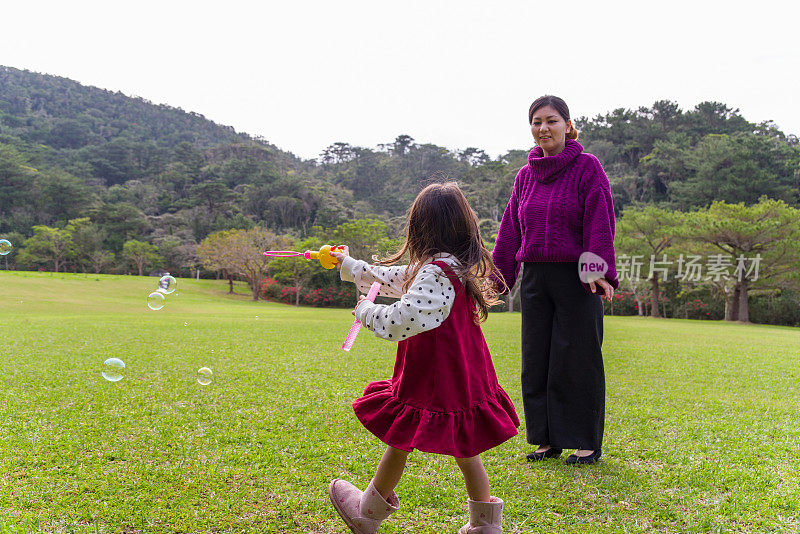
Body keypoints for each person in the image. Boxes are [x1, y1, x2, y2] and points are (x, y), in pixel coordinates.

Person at [327, 182, 519, 534]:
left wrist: (365, 311)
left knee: (400, 439)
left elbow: (402, 320)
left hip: (433, 373)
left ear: (421, 228)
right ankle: (485, 527)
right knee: (466, 445)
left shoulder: (434, 272)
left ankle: (366, 514)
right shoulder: (447, 266)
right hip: (462, 370)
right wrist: (349, 263)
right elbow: (391, 277)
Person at [492, 95, 618, 465]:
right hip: (534, 277)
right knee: (538, 358)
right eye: (536, 122)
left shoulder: (587, 167)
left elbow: (600, 220)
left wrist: (597, 273)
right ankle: (546, 439)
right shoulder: (524, 176)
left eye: (551, 121)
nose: (543, 128)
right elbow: (510, 232)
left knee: (578, 357)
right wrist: (498, 282)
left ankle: (585, 440)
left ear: (567, 125)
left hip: (577, 279)